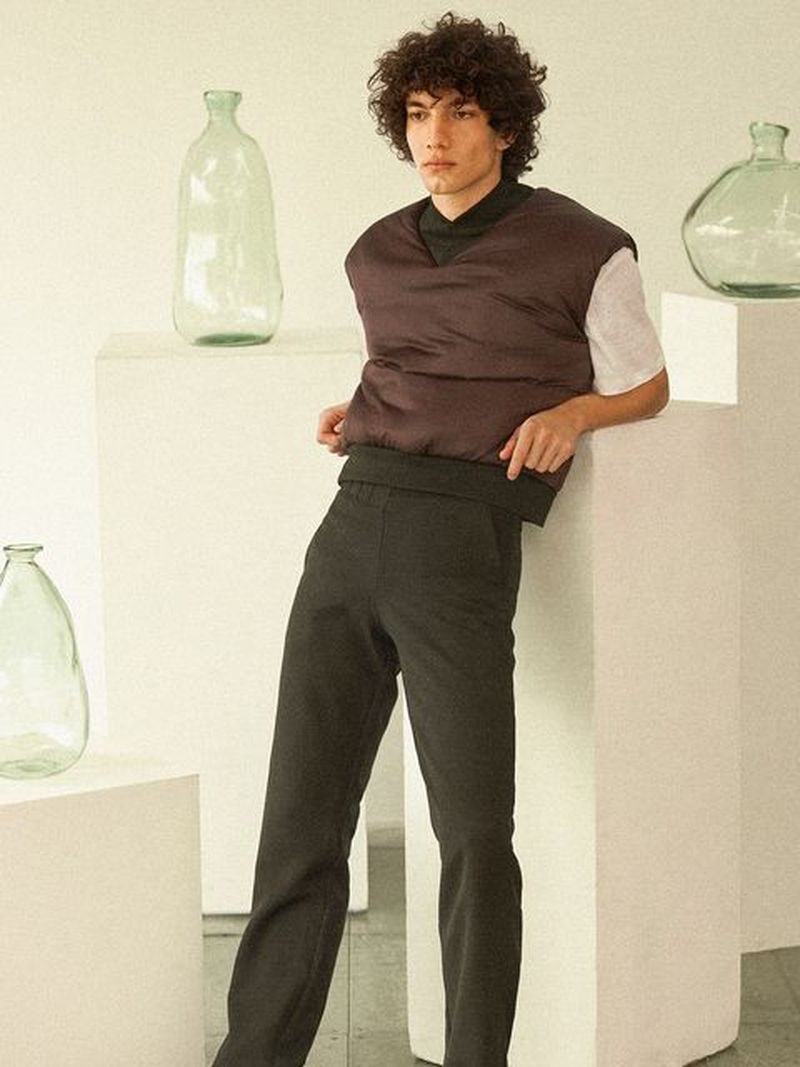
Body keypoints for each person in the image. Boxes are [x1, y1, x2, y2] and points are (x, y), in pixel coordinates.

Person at [212, 11, 669, 1067]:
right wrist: (364, 409)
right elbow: (413, 360)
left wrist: (575, 413)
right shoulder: (374, 249)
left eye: (460, 111)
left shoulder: (584, 246)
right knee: (297, 825)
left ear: (504, 126)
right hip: (348, 528)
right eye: (418, 112)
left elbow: (645, 383)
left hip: (459, 546)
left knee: (471, 835)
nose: (435, 134)